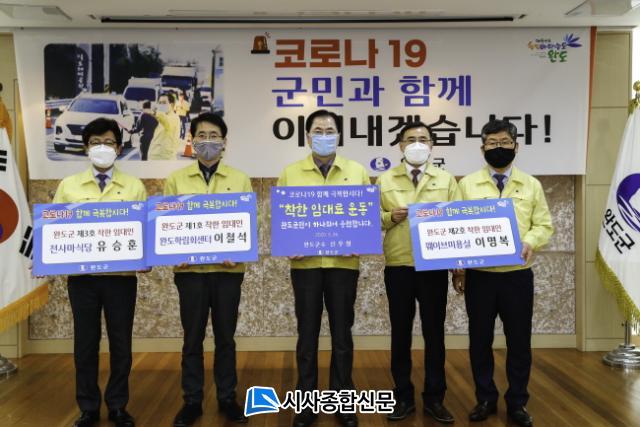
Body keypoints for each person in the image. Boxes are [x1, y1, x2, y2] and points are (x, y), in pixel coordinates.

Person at [457, 119, 553, 427]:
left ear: (516, 146)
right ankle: (485, 398)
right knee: (480, 340)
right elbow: (455, 226)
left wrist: (531, 241)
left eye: (505, 143)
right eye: (492, 143)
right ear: (482, 148)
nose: (499, 148)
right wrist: (458, 267)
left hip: (517, 275)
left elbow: (544, 225)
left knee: (519, 341)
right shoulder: (467, 184)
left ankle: (517, 402)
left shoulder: (531, 184)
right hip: (480, 275)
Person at [277, 109, 370, 427]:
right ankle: (306, 403)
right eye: (318, 130)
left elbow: (367, 216)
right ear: (307, 136)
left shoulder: (356, 171)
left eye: (330, 130)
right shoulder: (291, 172)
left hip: (344, 264)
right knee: (307, 335)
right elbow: (281, 219)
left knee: (342, 335)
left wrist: (362, 238)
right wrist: (288, 243)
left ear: (339, 136)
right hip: (306, 266)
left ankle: (343, 402)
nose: (324, 135)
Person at [52, 118, 147, 427]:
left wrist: (146, 257)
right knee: (85, 345)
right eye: (95, 143)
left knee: (121, 345)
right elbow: (54, 230)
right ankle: (88, 407)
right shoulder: (68, 186)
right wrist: (45, 260)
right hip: (82, 281)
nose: (101, 148)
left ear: (119, 148)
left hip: (121, 280)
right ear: (86, 148)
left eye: (108, 142)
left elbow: (144, 232)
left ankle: (118, 405)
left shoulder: (134, 186)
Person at [164, 113, 252, 427]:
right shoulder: (176, 179)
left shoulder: (239, 179)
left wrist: (238, 252)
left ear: (224, 142)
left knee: (226, 338)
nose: (208, 141)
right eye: (201, 135)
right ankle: (192, 401)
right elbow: (167, 224)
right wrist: (175, 252)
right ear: (192, 140)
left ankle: (227, 398)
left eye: (214, 136)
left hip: (228, 272)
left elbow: (248, 223)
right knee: (192, 338)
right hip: (190, 273)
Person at [375, 122, 462, 423]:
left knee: (434, 333)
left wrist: (458, 267)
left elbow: (457, 222)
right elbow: (370, 219)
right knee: (400, 333)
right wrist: (390, 216)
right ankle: (403, 397)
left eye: (423, 139)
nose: (417, 144)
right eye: (410, 139)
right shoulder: (385, 179)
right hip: (398, 265)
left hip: (434, 266)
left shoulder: (446, 179)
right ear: (400, 145)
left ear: (432, 145)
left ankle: (435, 398)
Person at [148, 93, 181, 160]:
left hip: (165, 158)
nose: (161, 105)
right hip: (154, 156)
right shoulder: (160, 117)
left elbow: (167, 122)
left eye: (164, 103)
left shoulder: (174, 117)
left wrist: (155, 113)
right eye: (160, 103)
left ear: (171, 105)